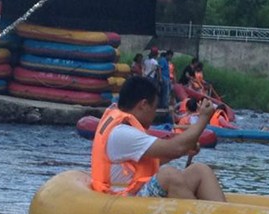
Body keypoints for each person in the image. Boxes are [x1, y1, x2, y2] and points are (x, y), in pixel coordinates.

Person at [91, 76, 226, 202]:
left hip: (134, 193)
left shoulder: (123, 128)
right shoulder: (121, 133)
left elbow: (156, 158)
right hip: (121, 201)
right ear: (143, 104)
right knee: (168, 175)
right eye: (154, 108)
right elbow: (175, 148)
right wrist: (203, 118)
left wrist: (185, 150)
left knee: (200, 170)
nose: (154, 114)